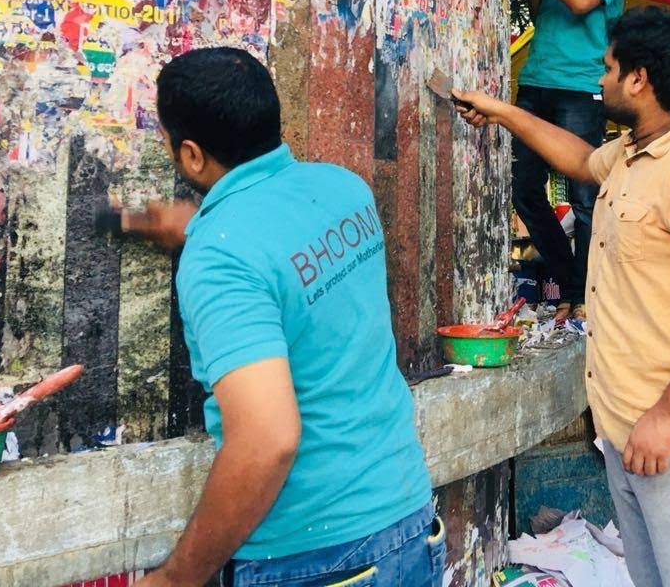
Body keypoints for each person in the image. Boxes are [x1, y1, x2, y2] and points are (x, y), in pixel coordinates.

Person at [455, 6, 670, 587]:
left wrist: (669, 416)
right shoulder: (632, 154)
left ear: (638, 78)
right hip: (631, 430)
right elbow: (577, 158)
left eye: (606, 68)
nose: (598, 81)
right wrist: (502, 112)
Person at [122, 48, 439, 587]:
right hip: (409, 522)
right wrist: (207, 227)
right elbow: (291, 265)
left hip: (316, 557)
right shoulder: (345, 190)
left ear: (193, 156)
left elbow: (268, 440)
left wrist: (174, 579)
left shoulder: (220, 256)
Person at [509, 0, 637, 323]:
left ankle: (583, 294)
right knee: (523, 188)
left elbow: (583, 2)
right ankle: (568, 281)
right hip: (537, 79)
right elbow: (541, 9)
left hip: (582, 86)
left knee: (584, 198)